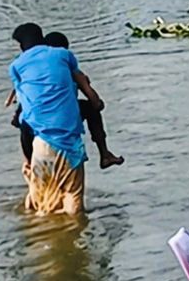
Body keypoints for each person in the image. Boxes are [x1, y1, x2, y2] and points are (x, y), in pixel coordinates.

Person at [7, 23, 103, 214]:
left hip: (39, 146)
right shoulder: (63, 56)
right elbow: (85, 87)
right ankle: (72, 237)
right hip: (67, 145)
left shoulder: (16, 66)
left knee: (39, 202)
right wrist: (97, 102)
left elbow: (24, 107)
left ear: (22, 45)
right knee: (72, 198)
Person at [7, 31, 122, 169]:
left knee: (26, 123)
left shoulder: (34, 69)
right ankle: (104, 153)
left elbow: (28, 100)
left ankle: (29, 162)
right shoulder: (68, 67)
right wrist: (97, 104)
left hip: (39, 121)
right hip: (64, 116)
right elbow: (93, 99)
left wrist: (17, 114)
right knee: (90, 108)